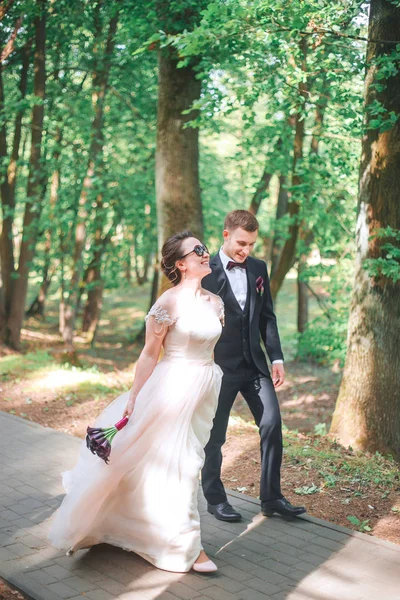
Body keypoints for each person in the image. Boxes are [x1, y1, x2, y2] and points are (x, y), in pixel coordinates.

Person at [48, 231, 225, 574]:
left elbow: (211, 351)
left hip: (204, 390)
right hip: (172, 388)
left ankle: (122, 523)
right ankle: (187, 547)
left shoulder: (215, 302)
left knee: (163, 463)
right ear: (181, 263)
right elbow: (148, 354)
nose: (206, 254)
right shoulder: (168, 302)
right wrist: (135, 396)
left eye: (204, 248)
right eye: (198, 250)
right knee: (184, 465)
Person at [201, 210, 306, 521]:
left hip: (256, 367)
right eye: (241, 243)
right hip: (220, 368)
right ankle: (215, 498)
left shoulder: (259, 268)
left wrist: (276, 358)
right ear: (226, 235)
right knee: (215, 435)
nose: (245, 251)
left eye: (250, 245)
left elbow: (267, 316)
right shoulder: (205, 271)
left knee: (272, 425)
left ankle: (271, 498)